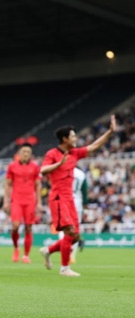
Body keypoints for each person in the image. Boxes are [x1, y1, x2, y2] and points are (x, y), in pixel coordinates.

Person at [39, 115, 116, 276]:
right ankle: (64, 268)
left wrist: (109, 132)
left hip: (70, 200)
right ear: (65, 139)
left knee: (75, 237)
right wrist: (58, 164)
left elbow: (93, 147)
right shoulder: (52, 153)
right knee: (69, 233)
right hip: (59, 198)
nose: (76, 138)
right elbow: (43, 170)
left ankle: (49, 250)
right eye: (73, 135)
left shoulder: (74, 153)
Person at [2, 143, 42, 263]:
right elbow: (8, 185)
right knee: (15, 226)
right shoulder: (12, 166)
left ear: (31, 154)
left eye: (28, 152)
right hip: (17, 200)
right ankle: (16, 248)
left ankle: (26, 255)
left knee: (29, 227)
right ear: (19, 153)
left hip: (30, 200)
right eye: (24, 152)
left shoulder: (35, 167)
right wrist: (5, 201)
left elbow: (38, 185)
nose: (26, 154)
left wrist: (39, 202)